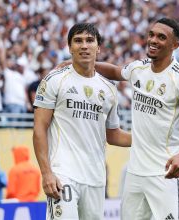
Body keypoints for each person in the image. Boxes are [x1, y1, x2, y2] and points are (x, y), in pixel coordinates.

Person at [94, 18, 179, 220]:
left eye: (162, 37)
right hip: (135, 173)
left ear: (175, 45)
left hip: (167, 173)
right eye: (151, 34)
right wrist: (87, 64)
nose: (153, 40)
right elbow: (116, 72)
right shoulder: (139, 69)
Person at [33, 23, 131, 220]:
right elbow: (39, 129)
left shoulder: (109, 89)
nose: (84, 46)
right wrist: (47, 173)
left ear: (98, 47)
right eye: (78, 41)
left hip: (95, 178)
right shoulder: (54, 80)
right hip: (63, 174)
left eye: (89, 41)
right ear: (69, 47)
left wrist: (148, 139)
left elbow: (113, 134)